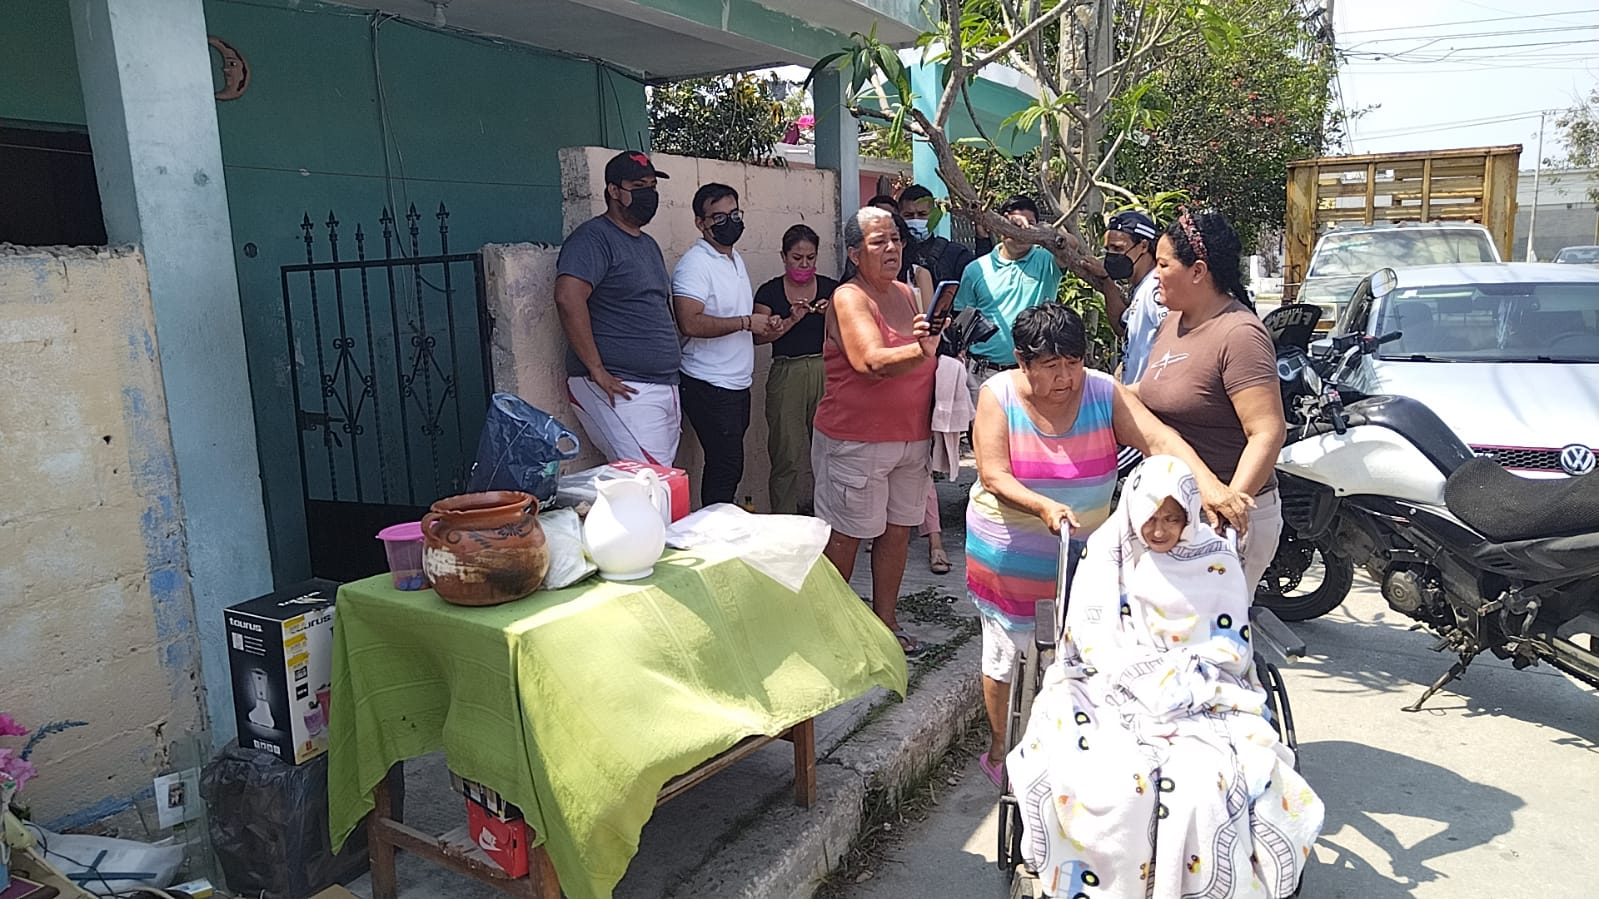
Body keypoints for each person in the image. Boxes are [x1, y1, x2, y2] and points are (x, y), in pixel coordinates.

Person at [1006, 455, 1323, 898]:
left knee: (1206, 786)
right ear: (1134, 508)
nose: (1158, 530)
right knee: (1118, 785)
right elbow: (1092, 637)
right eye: (1151, 517)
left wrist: (1182, 671)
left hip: (1201, 687)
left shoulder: (1215, 558)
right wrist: (1139, 674)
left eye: (1172, 519)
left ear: (1189, 515)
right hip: (1108, 682)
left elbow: (1230, 642)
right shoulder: (1108, 550)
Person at [966, 303, 1252, 785]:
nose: (1065, 378)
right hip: (1011, 551)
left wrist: (1209, 487)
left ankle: (1071, 743)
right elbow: (993, 473)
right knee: (1008, 650)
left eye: (1073, 362)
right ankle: (1000, 749)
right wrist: (1042, 505)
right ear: (1022, 362)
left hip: (1091, 553)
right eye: (1050, 366)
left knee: (1087, 649)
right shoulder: (999, 396)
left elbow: (1160, 440)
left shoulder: (1102, 391)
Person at [813, 206, 940, 658]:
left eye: (896, 239)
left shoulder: (907, 293)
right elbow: (869, 362)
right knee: (846, 536)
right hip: (856, 439)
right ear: (854, 253)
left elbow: (923, 349)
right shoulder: (849, 297)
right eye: (878, 242)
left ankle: (885, 623)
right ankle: (830, 635)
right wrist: (921, 352)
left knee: (898, 531)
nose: (892, 248)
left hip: (910, 437)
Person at [1135, 209, 1286, 587]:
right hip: (1175, 508)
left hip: (1222, 520)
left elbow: (1267, 431)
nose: (1155, 274)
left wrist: (1229, 506)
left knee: (1216, 622)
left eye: (1163, 264)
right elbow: (1158, 391)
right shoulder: (1173, 321)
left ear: (1198, 271)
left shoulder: (1239, 335)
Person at [555, 150, 681, 465]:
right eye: (638, 186)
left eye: (652, 186)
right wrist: (596, 369)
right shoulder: (593, 239)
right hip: (622, 386)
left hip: (662, 384)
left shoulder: (648, 244)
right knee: (647, 479)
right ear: (613, 190)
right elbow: (568, 298)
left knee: (654, 481)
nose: (648, 194)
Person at [672, 182, 776, 507]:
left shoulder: (734, 258)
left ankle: (718, 523)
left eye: (735, 214)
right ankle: (713, 529)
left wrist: (770, 324)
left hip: (735, 383)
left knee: (728, 466)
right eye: (718, 217)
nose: (729, 222)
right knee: (725, 467)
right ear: (700, 223)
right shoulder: (695, 264)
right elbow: (689, 322)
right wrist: (746, 322)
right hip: (709, 383)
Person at [752, 224, 837, 514]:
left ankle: (832, 521)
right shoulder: (770, 292)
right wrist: (790, 321)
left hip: (825, 369)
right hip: (787, 371)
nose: (804, 264)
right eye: (797, 258)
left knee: (829, 452)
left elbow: (850, 330)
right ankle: (784, 520)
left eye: (810, 258)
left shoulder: (831, 289)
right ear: (784, 256)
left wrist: (832, 312)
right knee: (785, 453)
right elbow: (758, 337)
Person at [953, 195, 1067, 391]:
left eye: (1030, 223)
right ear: (999, 226)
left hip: (1032, 372)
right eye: (1013, 224)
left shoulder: (1047, 261)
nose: (1021, 229)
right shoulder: (976, 269)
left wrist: (1041, 231)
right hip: (983, 373)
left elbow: (1071, 246)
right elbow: (961, 319)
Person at [1101, 210, 1164, 384]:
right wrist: (1106, 282)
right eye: (1108, 249)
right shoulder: (1142, 287)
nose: (1112, 255)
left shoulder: (1157, 288)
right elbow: (1122, 327)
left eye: (1118, 248)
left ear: (1143, 246)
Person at [898, 184, 979, 285]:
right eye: (908, 215)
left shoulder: (955, 255)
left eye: (922, 214)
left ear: (933, 215)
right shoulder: (893, 253)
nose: (916, 219)